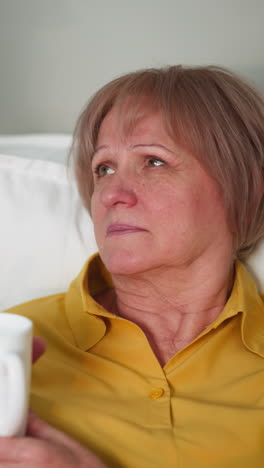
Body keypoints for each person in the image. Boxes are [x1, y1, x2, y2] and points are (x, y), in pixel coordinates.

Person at [2, 65, 264, 467]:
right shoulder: (13, 345)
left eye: (153, 162)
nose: (111, 195)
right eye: (103, 169)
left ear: (244, 185)